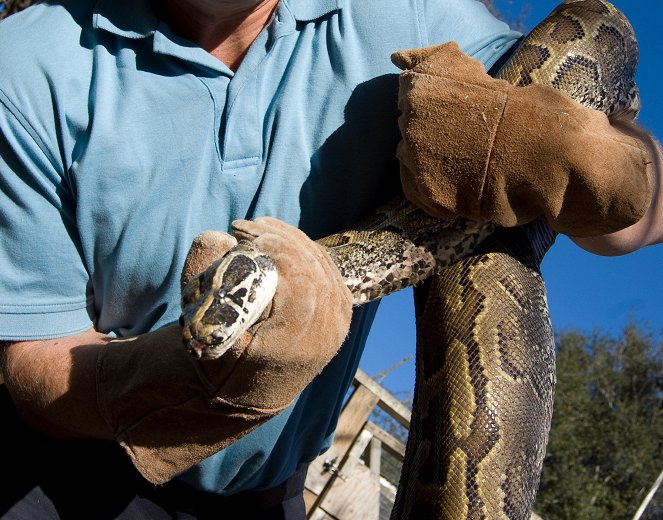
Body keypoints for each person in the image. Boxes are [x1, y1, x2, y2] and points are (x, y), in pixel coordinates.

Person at [0, 0, 660, 518]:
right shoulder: (25, 66)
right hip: (65, 476)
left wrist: (613, 175)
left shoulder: (408, 11)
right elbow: (33, 361)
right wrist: (169, 386)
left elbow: (625, 200)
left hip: (268, 499)